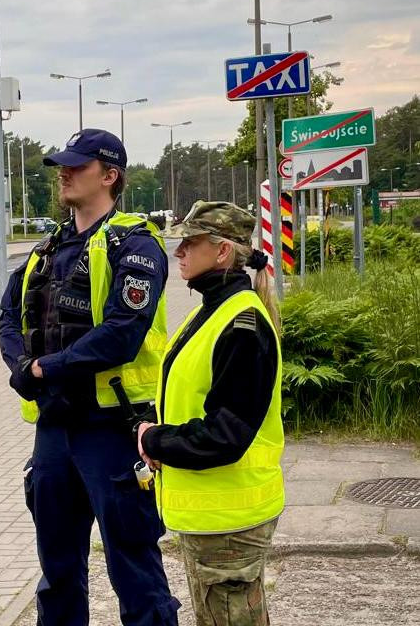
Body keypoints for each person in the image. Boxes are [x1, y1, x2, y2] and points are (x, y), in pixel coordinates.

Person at [0, 128, 181, 626]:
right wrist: (20, 365)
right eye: (62, 164)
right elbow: (11, 318)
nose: (64, 172)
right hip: (54, 428)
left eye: (76, 166)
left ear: (110, 175)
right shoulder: (47, 249)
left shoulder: (137, 245)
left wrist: (44, 369)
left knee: (133, 564)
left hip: (113, 430)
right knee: (57, 568)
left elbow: (122, 333)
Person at [137, 200, 284, 626]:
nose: (179, 252)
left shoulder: (241, 324)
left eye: (190, 243)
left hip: (231, 520)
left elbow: (226, 434)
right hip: (213, 516)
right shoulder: (215, 311)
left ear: (222, 252)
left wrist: (154, 440)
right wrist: (151, 419)